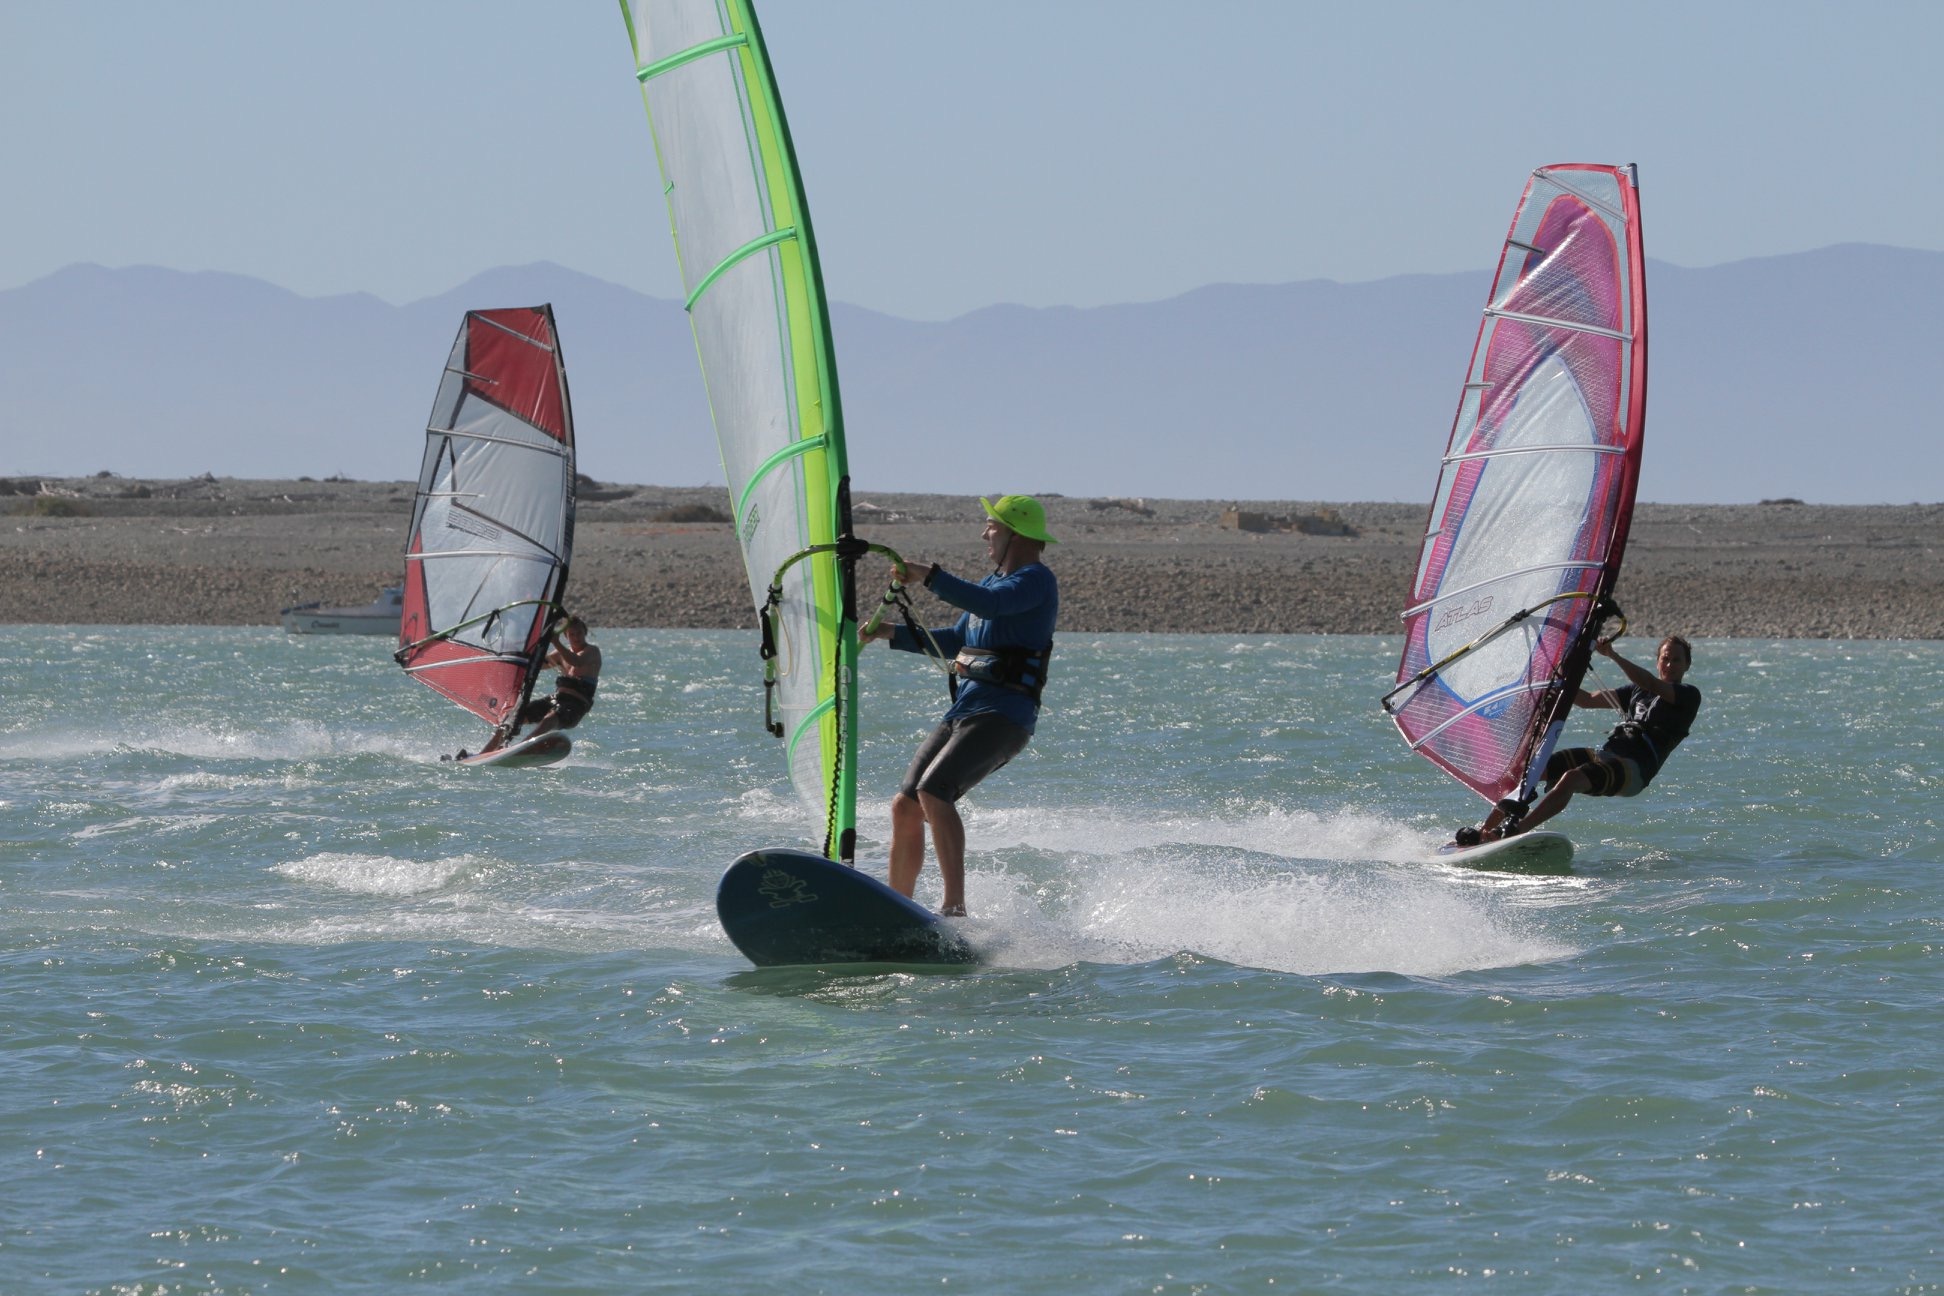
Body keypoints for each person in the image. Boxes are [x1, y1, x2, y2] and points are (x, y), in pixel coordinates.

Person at [862, 495, 1059, 917]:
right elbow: (954, 640)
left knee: (935, 791)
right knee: (906, 804)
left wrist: (929, 575)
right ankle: (898, 908)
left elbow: (992, 607)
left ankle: (954, 908)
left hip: (1004, 715)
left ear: (1016, 533)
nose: (984, 533)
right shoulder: (991, 583)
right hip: (966, 710)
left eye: (992, 525)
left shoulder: (1035, 581)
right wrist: (887, 633)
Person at [1463, 634, 1700, 844]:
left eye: (1676, 660)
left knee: (1571, 779)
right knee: (1533, 770)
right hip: (1606, 755)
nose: (1669, 664)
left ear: (1687, 665)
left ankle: (1516, 830)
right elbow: (1586, 700)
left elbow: (1650, 682)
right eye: (1665, 658)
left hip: (1634, 770)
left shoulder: (1688, 696)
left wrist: (1612, 655)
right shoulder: (1637, 692)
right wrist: (1555, 682)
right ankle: (1485, 831)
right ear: (1658, 660)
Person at [469, 615, 602, 757]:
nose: (576, 637)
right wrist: (515, 651)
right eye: (572, 634)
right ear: (566, 635)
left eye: (579, 633)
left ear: (585, 632)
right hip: (557, 700)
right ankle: (483, 754)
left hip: (575, 707)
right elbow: (537, 664)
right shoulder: (559, 654)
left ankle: (519, 751)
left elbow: (576, 661)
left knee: (549, 719)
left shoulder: (592, 652)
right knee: (513, 718)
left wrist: (555, 642)